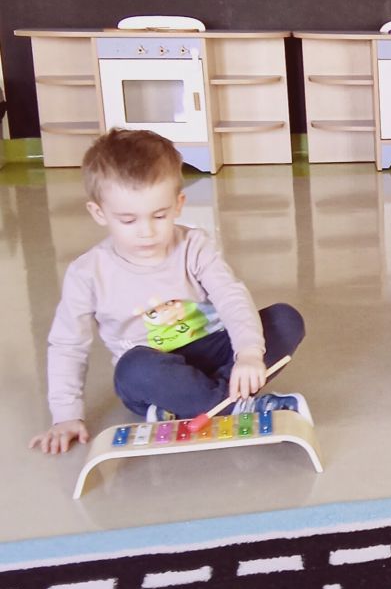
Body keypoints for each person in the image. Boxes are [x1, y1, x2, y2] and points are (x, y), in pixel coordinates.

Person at [29, 129, 307, 455]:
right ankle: (233, 404)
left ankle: (190, 403)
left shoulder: (195, 246)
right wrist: (65, 416)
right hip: (152, 369)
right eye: (128, 220)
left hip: (212, 349)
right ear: (99, 212)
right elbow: (68, 345)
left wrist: (248, 353)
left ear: (178, 204)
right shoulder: (87, 273)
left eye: (159, 216)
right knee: (134, 369)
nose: (146, 232)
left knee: (286, 320)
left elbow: (231, 297)